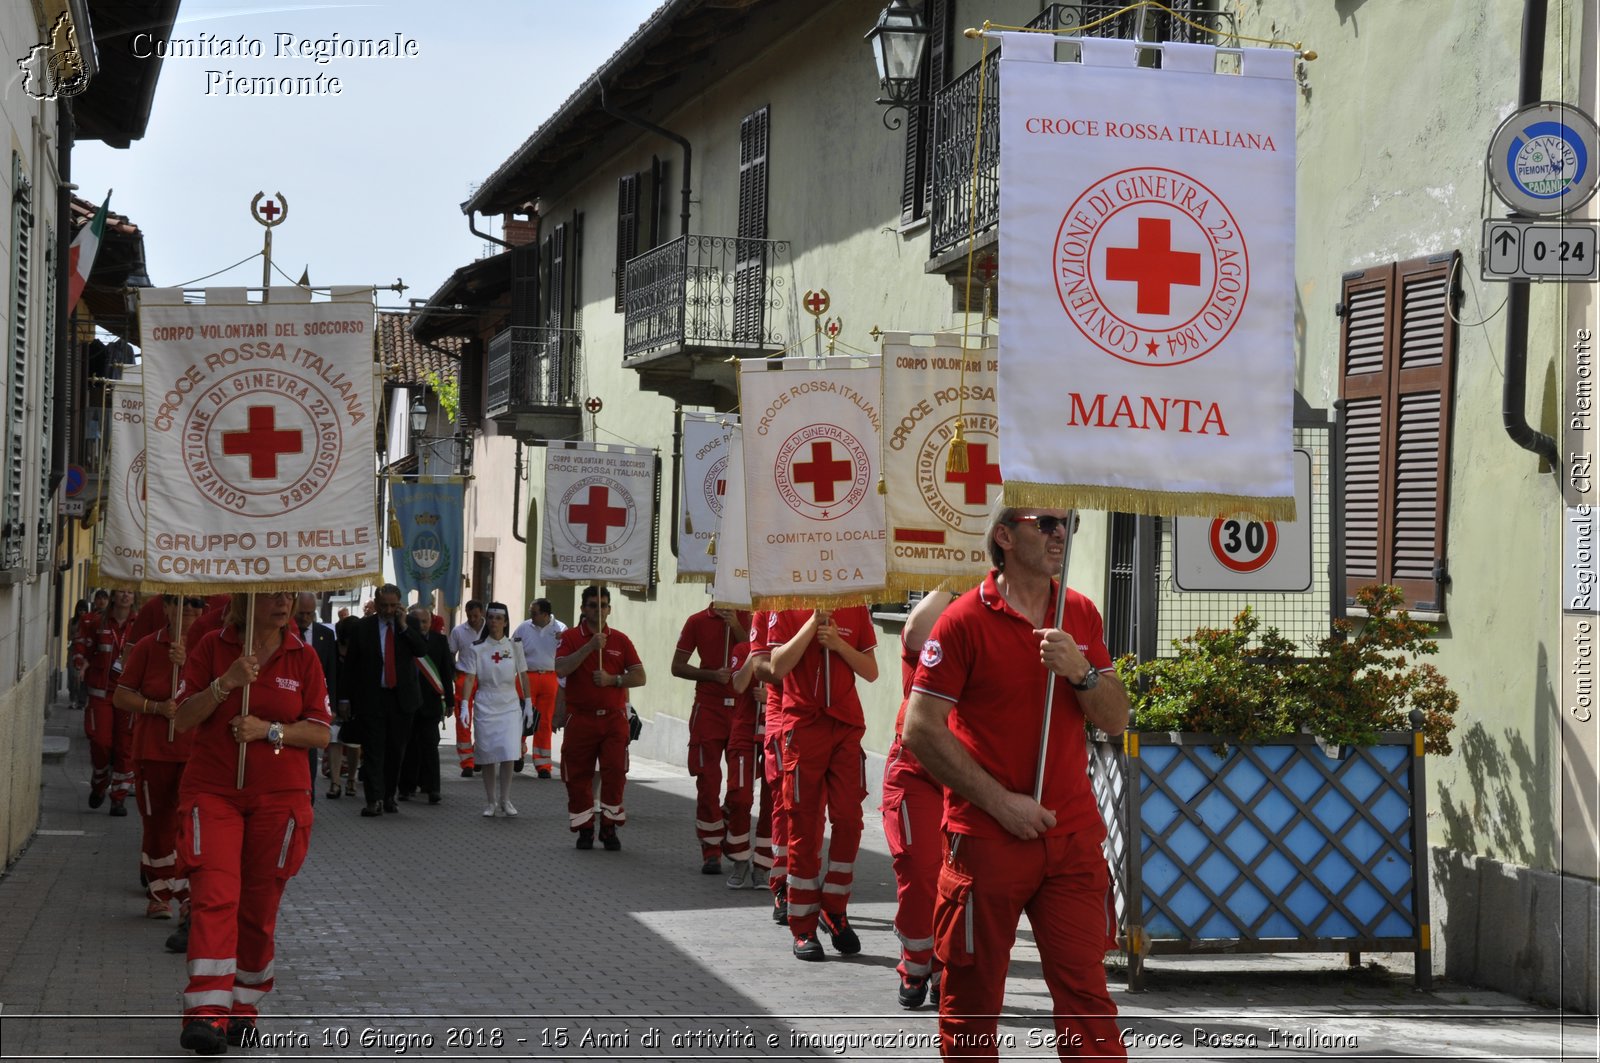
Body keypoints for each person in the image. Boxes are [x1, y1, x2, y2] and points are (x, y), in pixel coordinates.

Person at [903, 503, 1128, 1061]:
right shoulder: (961, 621)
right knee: (973, 1003)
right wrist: (1001, 803)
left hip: (1071, 838)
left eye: (1067, 525)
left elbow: (1118, 718)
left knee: (1087, 1001)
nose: (1060, 535)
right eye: (1045, 524)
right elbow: (920, 731)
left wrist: (1081, 671)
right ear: (1003, 536)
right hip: (987, 838)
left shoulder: (1079, 611)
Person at [170, 591, 331, 1054]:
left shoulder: (304, 656)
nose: (285, 603)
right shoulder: (213, 647)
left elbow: (320, 730)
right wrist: (225, 683)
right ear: (249, 598)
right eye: (274, 595)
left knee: (258, 911)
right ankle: (206, 1014)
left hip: (280, 798)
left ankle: (243, 1006)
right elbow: (181, 719)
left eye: (289, 595)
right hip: (213, 791)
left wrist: (268, 731)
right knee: (215, 897)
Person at [756, 606, 878, 961]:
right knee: (805, 828)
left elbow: (870, 671)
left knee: (850, 820)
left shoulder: (856, 607)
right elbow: (776, 667)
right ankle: (803, 927)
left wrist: (839, 645)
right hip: (803, 725)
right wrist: (811, 624)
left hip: (846, 726)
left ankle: (835, 909)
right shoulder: (786, 605)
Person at [882, 589, 956, 1009]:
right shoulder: (932, 635)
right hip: (914, 767)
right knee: (918, 869)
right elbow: (913, 630)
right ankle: (915, 962)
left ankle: (945, 964)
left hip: (966, 773)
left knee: (958, 877)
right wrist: (952, 580)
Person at [114, 594, 205, 920]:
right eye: (181, 603)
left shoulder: (208, 649)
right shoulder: (147, 647)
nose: (190, 609)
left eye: (197, 603)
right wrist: (154, 707)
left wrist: (190, 657)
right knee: (157, 826)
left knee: (190, 826)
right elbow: (121, 695)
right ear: (166, 607)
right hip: (153, 751)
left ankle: (188, 897)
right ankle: (159, 893)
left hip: (196, 753)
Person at [555, 585, 645, 851]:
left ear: (609, 609)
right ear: (583, 609)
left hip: (613, 720)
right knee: (577, 775)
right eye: (593, 605)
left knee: (615, 772)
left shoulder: (620, 640)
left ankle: (608, 826)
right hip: (581, 719)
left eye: (603, 605)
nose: (599, 610)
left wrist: (613, 680)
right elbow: (560, 668)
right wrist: (589, 648)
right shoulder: (569, 637)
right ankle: (584, 829)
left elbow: (639, 677)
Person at [670, 604, 752, 876]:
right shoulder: (696, 621)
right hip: (708, 706)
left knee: (740, 786)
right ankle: (711, 850)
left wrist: (738, 626)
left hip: (742, 707)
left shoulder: (751, 617)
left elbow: (760, 654)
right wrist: (711, 675)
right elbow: (677, 666)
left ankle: (727, 820)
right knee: (707, 779)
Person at [344, 584, 428, 817]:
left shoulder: (408, 624)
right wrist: (345, 698)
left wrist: (402, 626)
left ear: (399, 604)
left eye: (393, 606)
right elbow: (351, 666)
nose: (388, 610)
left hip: (402, 700)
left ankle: (389, 796)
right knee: (373, 751)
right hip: (373, 698)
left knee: (395, 751)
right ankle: (373, 800)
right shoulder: (363, 628)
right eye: (384, 606)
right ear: (376, 603)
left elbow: (421, 650)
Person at [458, 602, 527, 816]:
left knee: (508, 752)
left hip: (509, 704)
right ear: (486, 621)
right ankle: (491, 801)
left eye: (499, 618)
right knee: (487, 753)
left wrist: (530, 704)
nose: (494, 622)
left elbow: (523, 675)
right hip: (485, 703)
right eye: (491, 618)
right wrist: (464, 705)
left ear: (505, 622)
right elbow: (470, 678)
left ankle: (506, 799)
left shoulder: (515, 645)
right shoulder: (477, 647)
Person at [81, 588, 137, 815]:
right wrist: (80, 662)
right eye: (122, 592)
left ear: (134, 597)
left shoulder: (141, 625)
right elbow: (84, 647)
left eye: (130, 593)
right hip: (102, 694)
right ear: (114, 596)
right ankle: (99, 781)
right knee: (101, 742)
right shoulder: (98, 622)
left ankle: (118, 797)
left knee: (125, 747)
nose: (126, 596)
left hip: (128, 696)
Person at [398, 603, 453, 805]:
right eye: (418, 621)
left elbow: (446, 672)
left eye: (425, 621)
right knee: (409, 746)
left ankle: (433, 788)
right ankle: (406, 788)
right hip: (409, 702)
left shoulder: (439, 641)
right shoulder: (404, 640)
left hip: (431, 703)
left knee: (430, 745)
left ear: (431, 621)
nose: (422, 625)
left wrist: (450, 700)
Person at [512, 597, 565, 778]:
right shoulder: (523, 628)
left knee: (545, 722)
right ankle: (517, 752)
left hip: (550, 678)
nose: (531, 616)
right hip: (526, 677)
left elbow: (566, 653)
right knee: (521, 716)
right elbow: (512, 651)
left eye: (534, 613)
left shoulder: (561, 629)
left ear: (545, 614)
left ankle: (543, 764)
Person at [292, 593, 339, 797]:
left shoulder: (325, 635)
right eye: (301, 613)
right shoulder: (283, 632)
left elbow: (332, 670)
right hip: (291, 698)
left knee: (310, 751)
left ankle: (308, 796)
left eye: (309, 613)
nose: (305, 618)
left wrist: (335, 705)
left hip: (314, 702)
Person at [447, 601, 485, 777]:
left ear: (482, 613)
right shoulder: (458, 631)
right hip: (464, 677)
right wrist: (455, 675)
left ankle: (480, 757)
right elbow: (450, 654)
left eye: (475, 616)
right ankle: (467, 762)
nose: (472, 619)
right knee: (463, 720)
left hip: (485, 678)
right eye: (469, 616)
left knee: (484, 719)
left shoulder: (490, 628)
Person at [328, 615, 362, 798]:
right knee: (334, 740)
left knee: (353, 743)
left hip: (355, 701)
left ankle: (351, 779)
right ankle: (335, 783)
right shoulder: (332, 648)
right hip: (333, 700)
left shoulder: (362, 648)